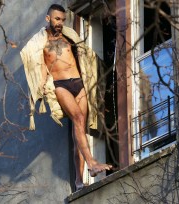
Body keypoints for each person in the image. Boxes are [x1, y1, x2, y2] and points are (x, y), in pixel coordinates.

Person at [20, 4, 112, 191]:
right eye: (57, 19)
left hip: (79, 83)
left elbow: (84, 56)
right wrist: (41, 88)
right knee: (78, 119)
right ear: (48, 19)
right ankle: (92, 163)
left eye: (62, 19)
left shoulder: (69, 37)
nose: (60, 23)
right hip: (61, 86)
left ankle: (79, 181)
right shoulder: (40, 43)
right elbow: (36, 66)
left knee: (79, 129)